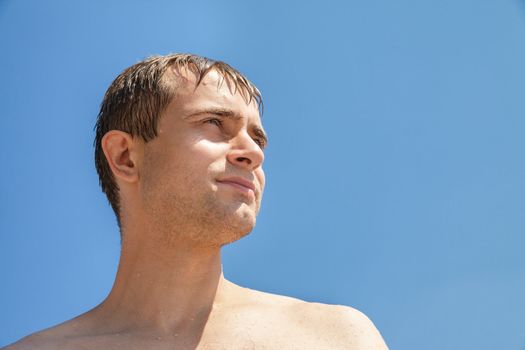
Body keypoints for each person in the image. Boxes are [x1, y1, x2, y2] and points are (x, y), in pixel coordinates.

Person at [4, 53, 388, 350]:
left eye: (258, 138)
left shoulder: (333, 338)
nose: (252, 153)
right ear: (126, 157)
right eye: (214, 124)